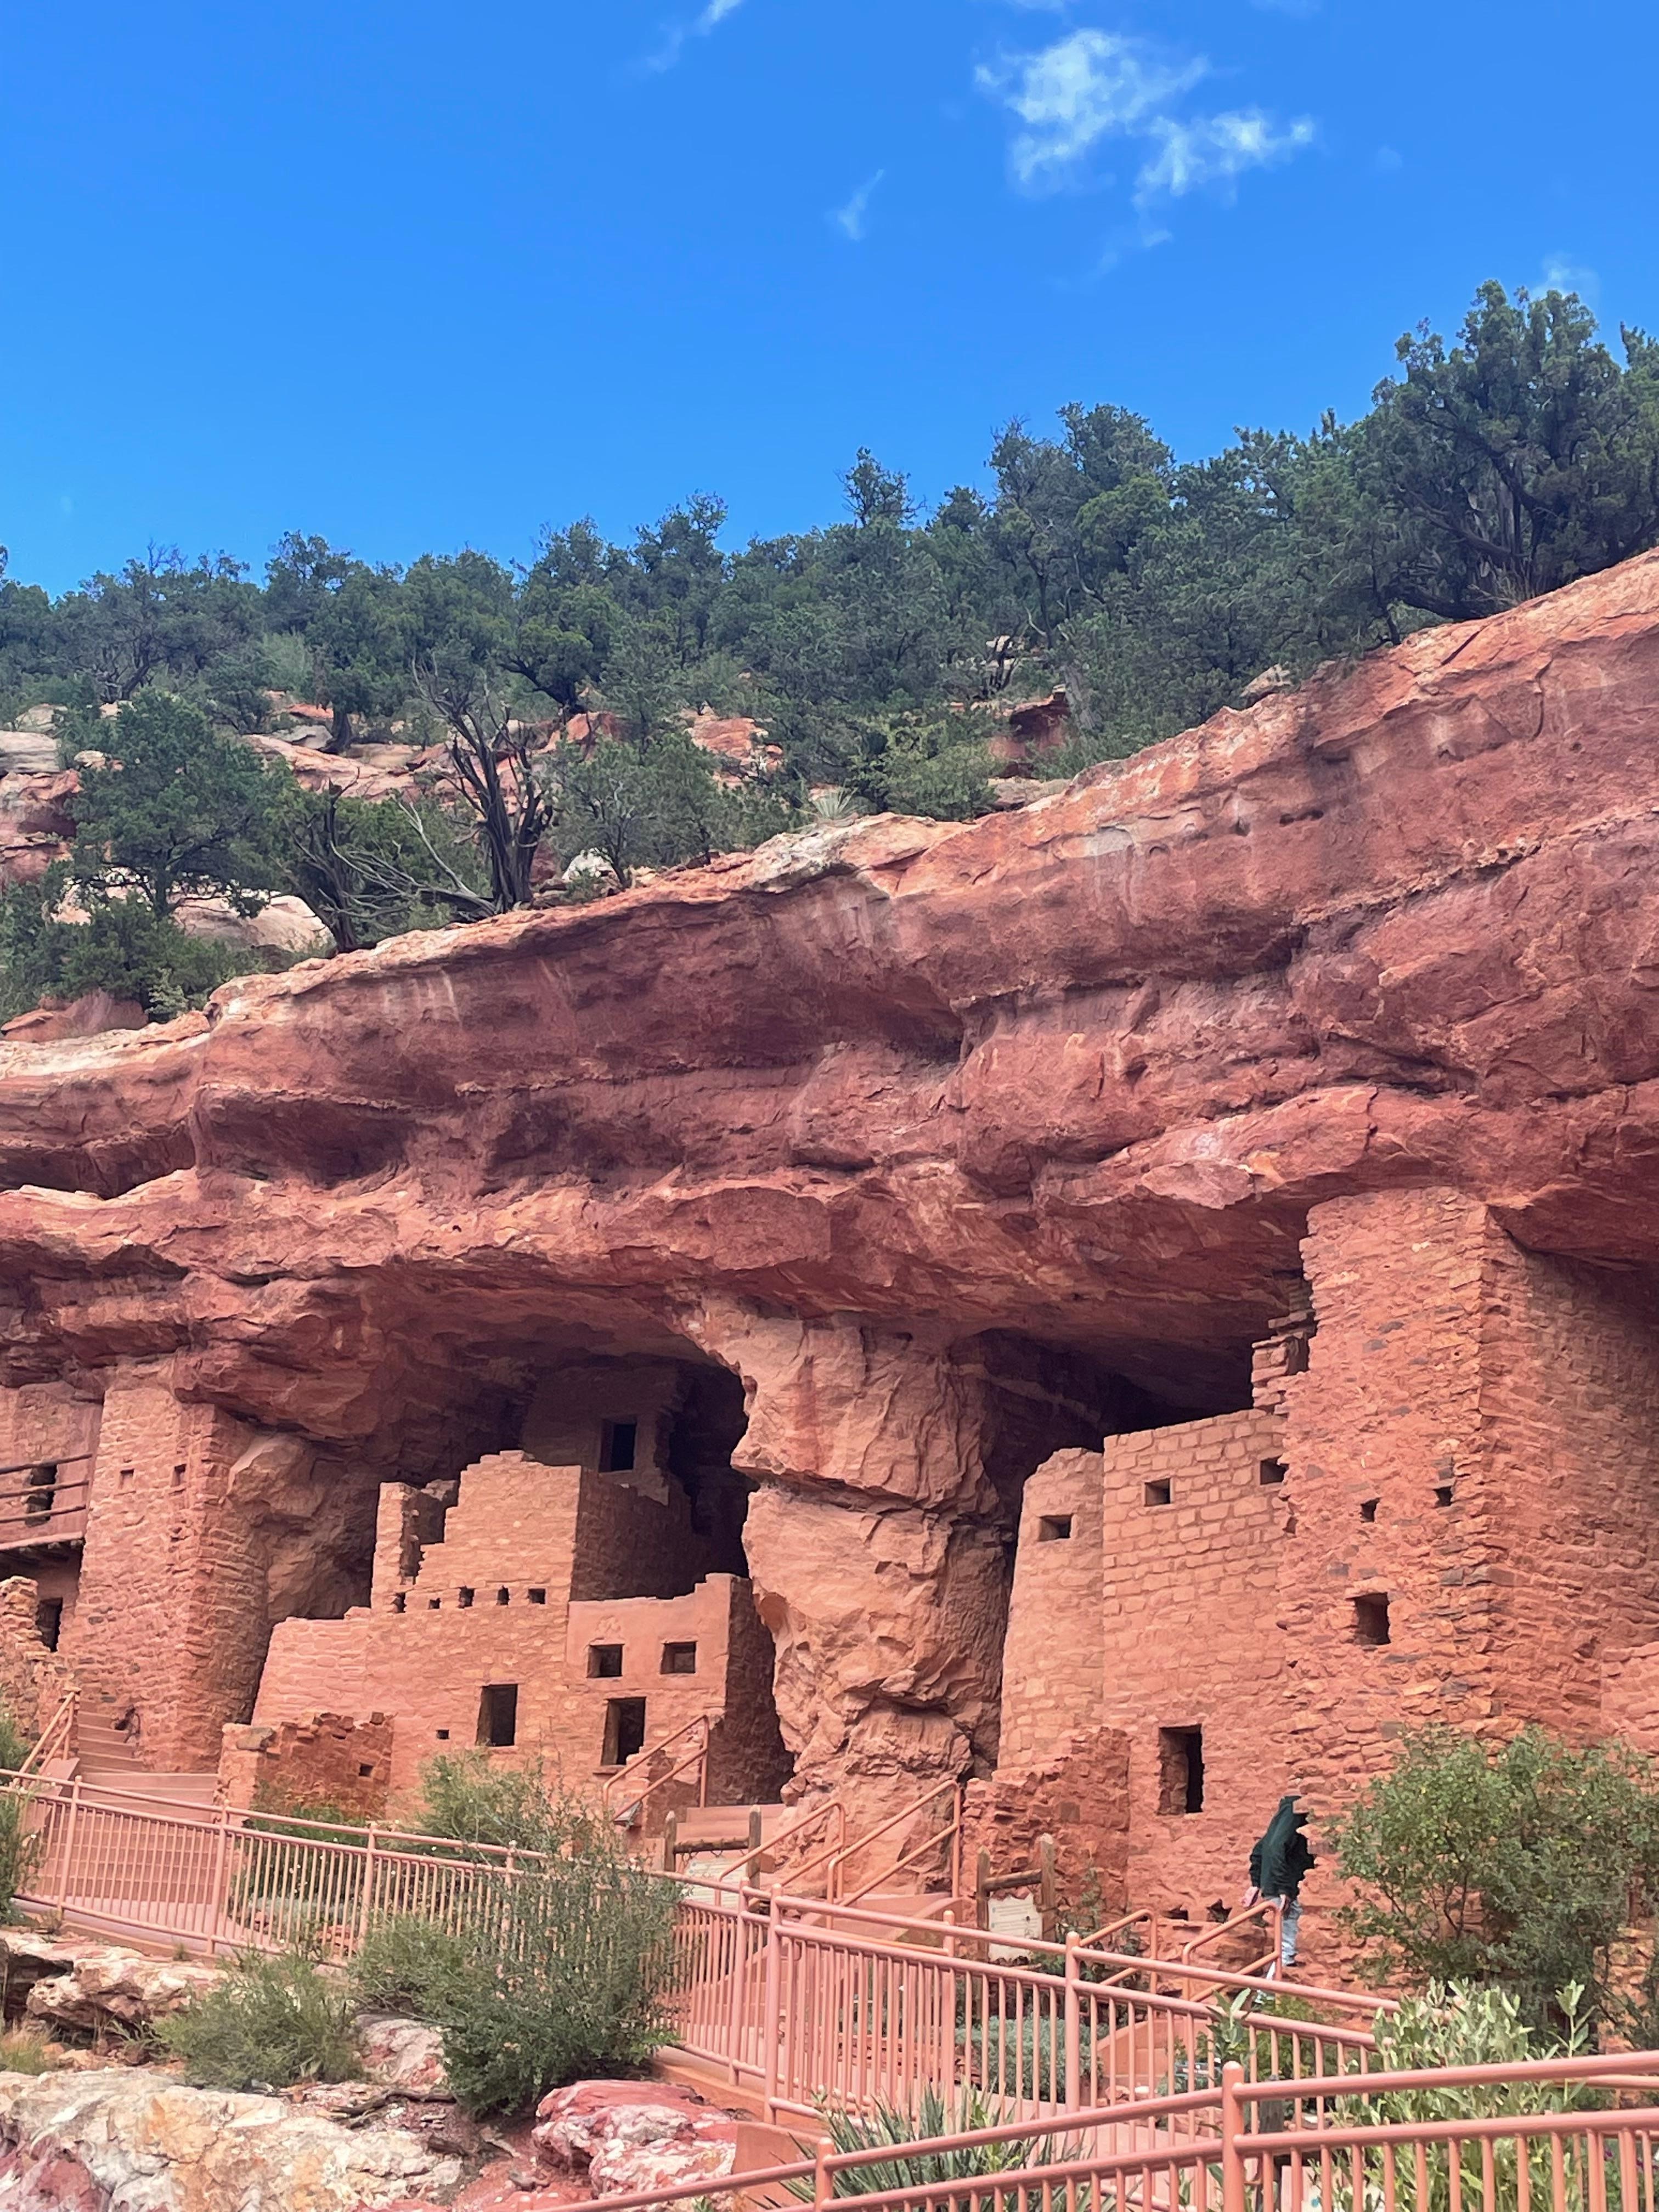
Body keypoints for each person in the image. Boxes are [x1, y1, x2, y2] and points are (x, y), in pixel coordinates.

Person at [1244, 1793, 1315, 1973]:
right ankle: (1266, 1998)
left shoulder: (1280, 1818)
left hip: (1274, 1887)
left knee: (1283, 1946)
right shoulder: (1295, 1816)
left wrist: (1256, 1884)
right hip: (1286, 1890)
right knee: (1287, 1947)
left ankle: (1266, 1997)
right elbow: (1276, 1848)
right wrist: (1285, 1889)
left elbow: (1259, 1851)